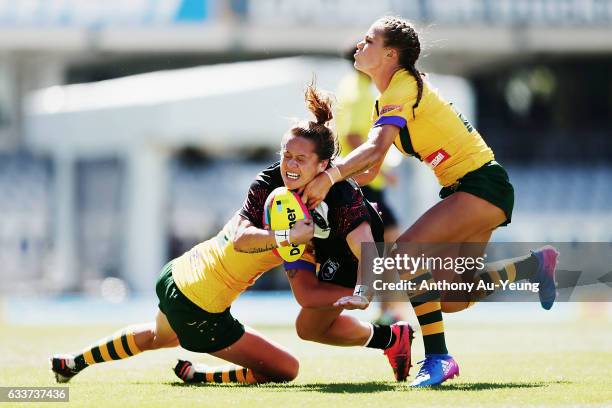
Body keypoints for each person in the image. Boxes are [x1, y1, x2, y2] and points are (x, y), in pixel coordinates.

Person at [50, 83, 413, 385]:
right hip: (201, 303)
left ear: (324, 165)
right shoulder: (270, 183)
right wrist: (289, 238)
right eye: (285, 154)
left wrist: (368, 286)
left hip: (181, 274)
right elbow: (243, 239)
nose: (288, 165)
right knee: (287, 366)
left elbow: (362, 236)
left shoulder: (342, 193)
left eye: (299, 159)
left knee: (161, 336)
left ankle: (72, 362)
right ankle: (202, 378)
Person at [301, 16, 559, 387]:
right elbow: (372, 166)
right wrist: (328, 186)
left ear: (390, 54)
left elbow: (373, 148)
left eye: (369, 40)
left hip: (480, 184)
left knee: (405, 253)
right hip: (472, 187)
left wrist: (327, 177)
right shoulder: (386, 99)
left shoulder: (402, 86)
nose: (359, 45)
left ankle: (439, 358)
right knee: (453, 298)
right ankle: (535, 265)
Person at [336, 48, 405, 325]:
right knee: (388, 241)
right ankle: (383, 308)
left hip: (363, 180)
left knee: (378, 244)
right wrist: (375, 165)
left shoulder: (353, 88)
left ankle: (380, 306)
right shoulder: (359, 91)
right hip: (364, 182)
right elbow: (353, 135)